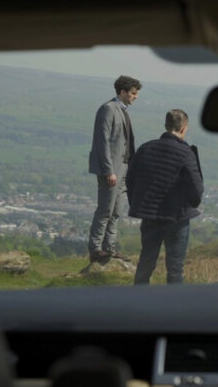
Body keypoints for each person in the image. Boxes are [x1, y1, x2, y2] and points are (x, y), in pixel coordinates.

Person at [126, 109, 204, 284]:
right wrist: (192, 203)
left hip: (150, 215)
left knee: (146, 262)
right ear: (184, 128)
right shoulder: (186, 153)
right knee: (175, 268)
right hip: (177, 217)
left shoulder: (145, 148)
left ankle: (137, 301)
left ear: (166, 126)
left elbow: (130, 180)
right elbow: (196, 188)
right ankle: (173, 306)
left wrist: (140, 205)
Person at [87, 75, 142, 262]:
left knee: (116, 210)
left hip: (124, 168)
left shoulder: (122, 110)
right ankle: (95, 249)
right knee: (105, 210)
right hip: (111, 170)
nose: (136, 97)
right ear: (122, 92)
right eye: (133, 93)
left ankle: (109, 248)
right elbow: (102, 142)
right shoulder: (108, 109)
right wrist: (109, 170)